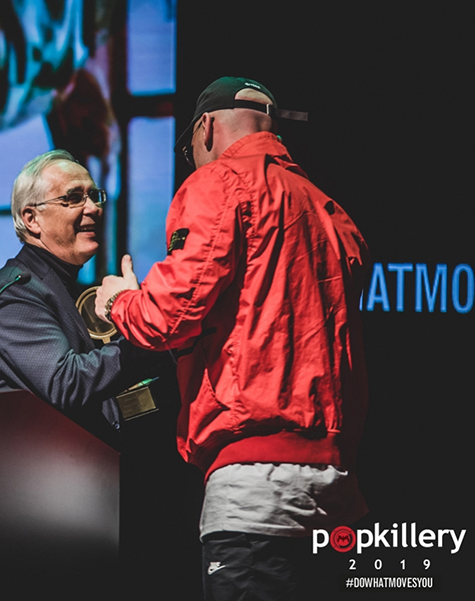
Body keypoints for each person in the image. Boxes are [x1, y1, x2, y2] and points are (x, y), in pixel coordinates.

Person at [94, 77, 370, 600]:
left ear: (206, 128)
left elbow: (167, 316)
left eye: (188, 151)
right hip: (338, 490)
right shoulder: (332, 213)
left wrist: (119, 302)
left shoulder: (217, 184)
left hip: (254, 489)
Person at [0, 149, 172, 444]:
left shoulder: (61, 284)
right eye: (74, 198)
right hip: (35, 468)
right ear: (32, 219)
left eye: (94, 196)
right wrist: (152, 337)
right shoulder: (14, 292)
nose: (93, 208)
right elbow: (66, 383)